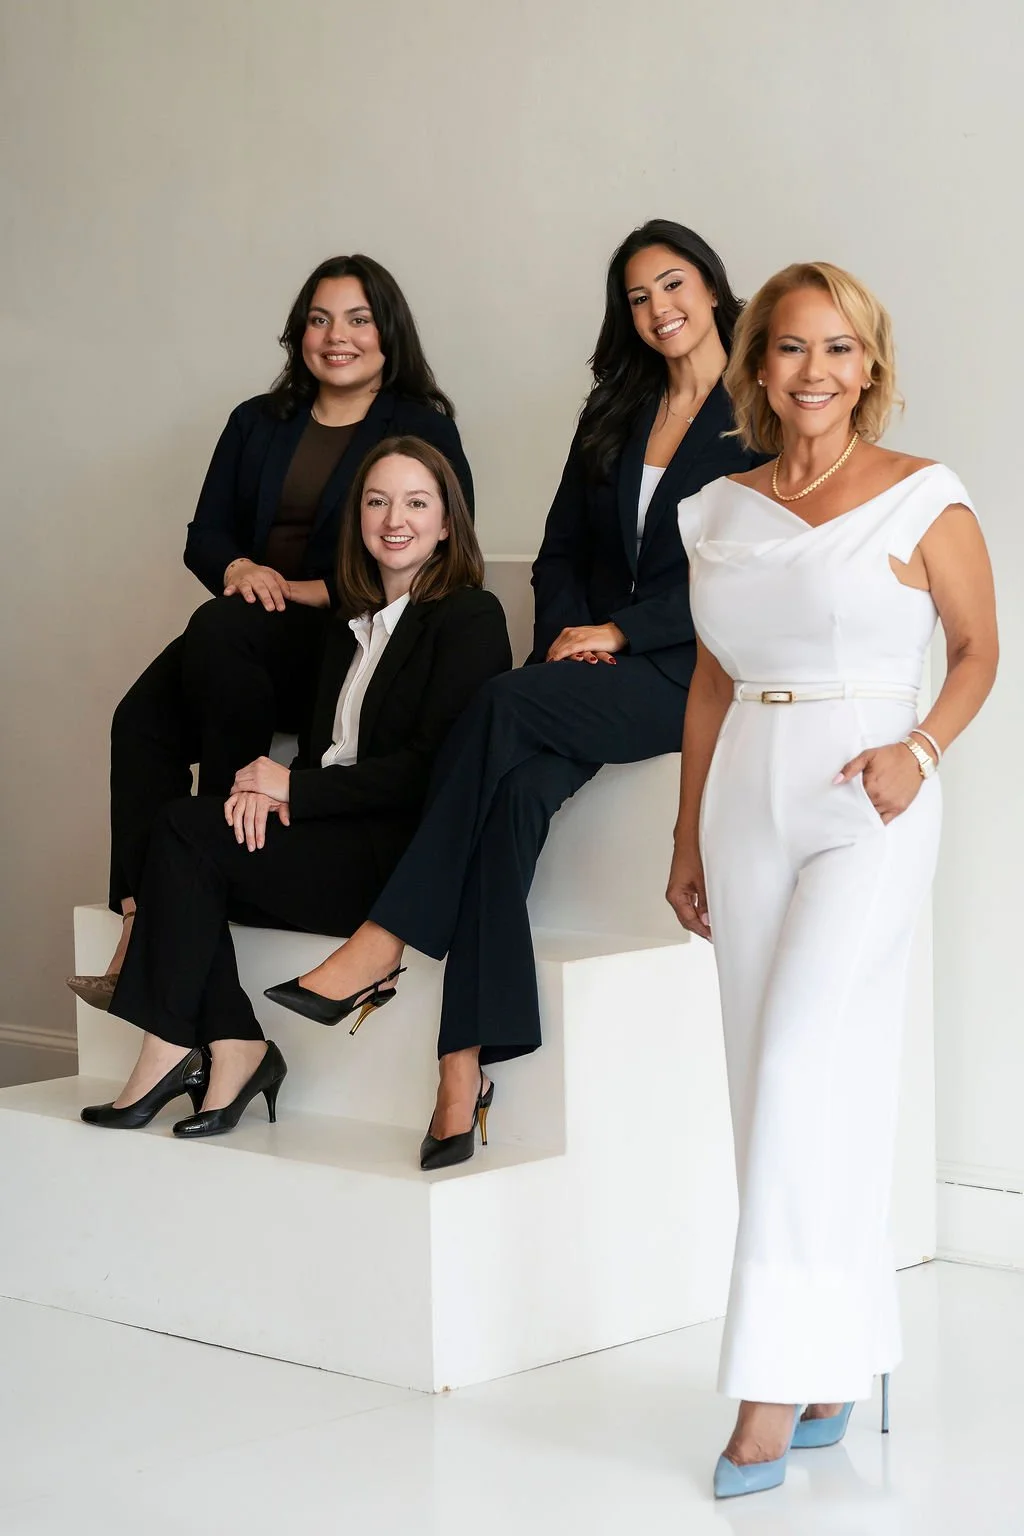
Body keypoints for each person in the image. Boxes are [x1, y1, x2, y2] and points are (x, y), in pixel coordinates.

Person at [267, 220, 763, 1171]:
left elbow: (739, 570)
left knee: (493, 705)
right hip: (589, 663)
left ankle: (382, 940)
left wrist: (621, 632)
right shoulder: (615, 407)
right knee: (513, 800)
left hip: (686, 667)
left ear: (710, 287)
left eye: (672, 286)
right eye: (637, 297)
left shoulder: (757, 417)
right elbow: (563, 548)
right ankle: (463, 1073)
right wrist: (569, 645)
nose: (658, 309)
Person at [666, 262, 998, 1499]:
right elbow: (708, 679)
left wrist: (916, 750)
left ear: (870, 365)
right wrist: (686, 833)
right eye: (792, 349)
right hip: (748, 784)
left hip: (871, 796)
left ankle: (765, 1390)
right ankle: (840, 1355)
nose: (816, 372)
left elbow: (977, 650)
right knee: (775, 1088)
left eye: (840, 350)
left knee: (803, 1064)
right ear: (757, 365)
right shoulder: (716, 510)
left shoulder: (923, 498)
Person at [67, 254, 472, 1007]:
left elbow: (427, 546)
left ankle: (216, 841)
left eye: (357, 319)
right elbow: (207, 533)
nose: (336, 336)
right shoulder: (258, 421)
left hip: (337, 634)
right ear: (299, 334)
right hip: (246, 621)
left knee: (221, 632)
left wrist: (297, 588)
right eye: (319, 320)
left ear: (388, 332)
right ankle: (139, 907)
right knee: (142, 718)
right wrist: (242, 571)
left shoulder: (418, 428)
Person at [80, 438, 510, 1137]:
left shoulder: (470, 617)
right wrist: (268, 790)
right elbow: (323, 753)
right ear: (359, 519)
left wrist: (293, 790)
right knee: (183, 829)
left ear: (446, 524)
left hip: (388, 858)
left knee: (185, 834)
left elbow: (432, 769)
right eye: (377, 501)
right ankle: (233, 1044)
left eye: (415, 502)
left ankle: (172, 1046)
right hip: (327, 834)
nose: (393, 517)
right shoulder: (347, 630)